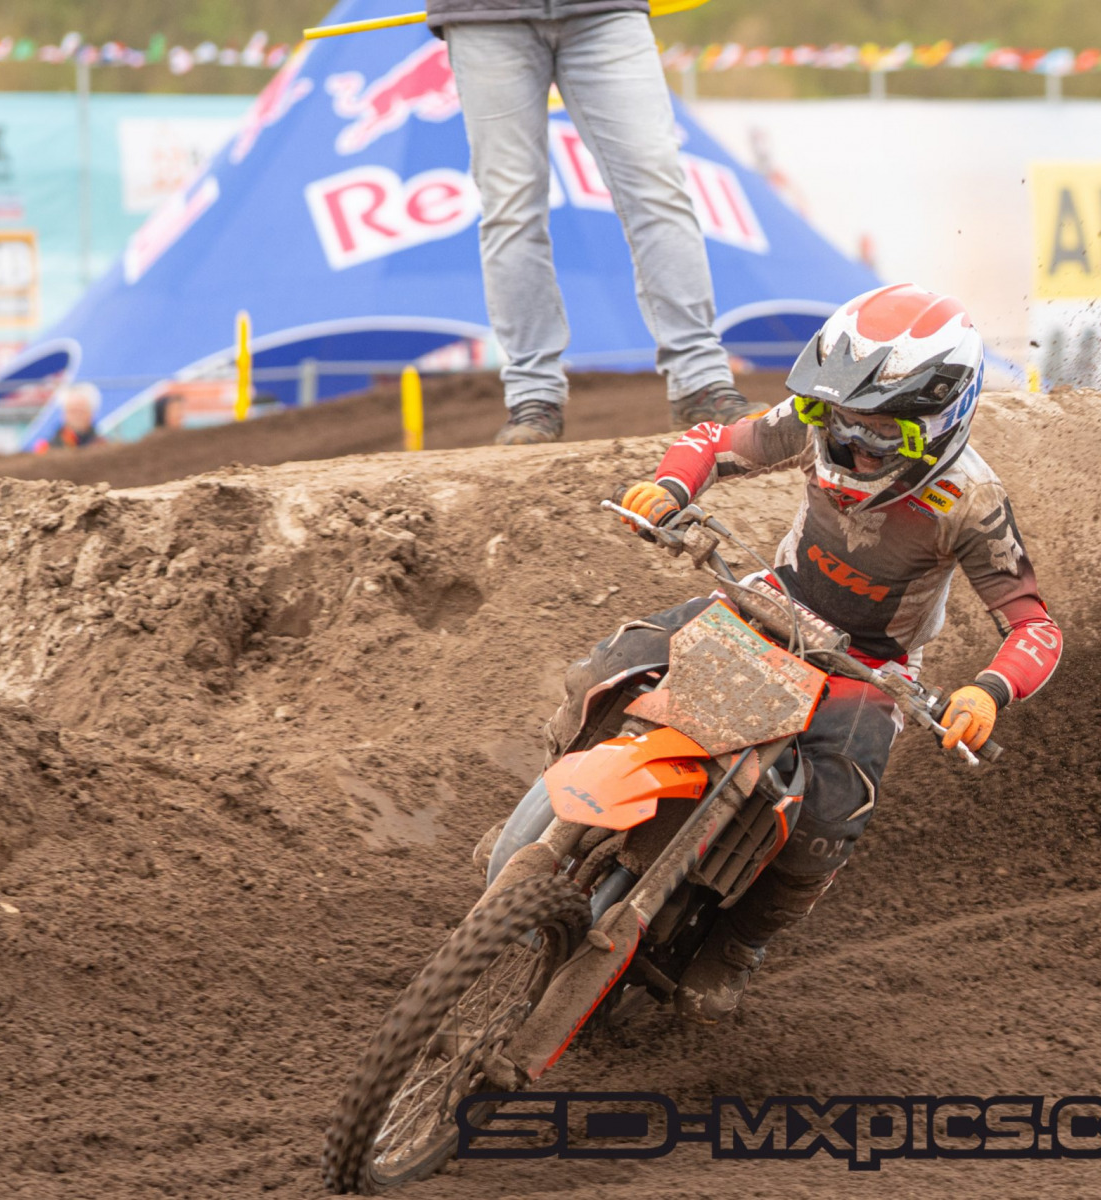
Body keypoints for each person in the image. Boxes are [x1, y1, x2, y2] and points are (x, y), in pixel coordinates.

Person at [566, 284, 1063, 1022]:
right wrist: (668, 488)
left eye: (880, 433)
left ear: (941, 421)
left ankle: (740, 942)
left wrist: (988, 691)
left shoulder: (970, 500)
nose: (851, 444)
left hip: (874, 665)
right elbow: (714, 440)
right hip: (771, 601)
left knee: (831, 814)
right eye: (839, 420)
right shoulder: (809, 425)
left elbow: (1035, 627)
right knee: (609, 669)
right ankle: (551, 822)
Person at [428, 0, 753, 445]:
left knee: (657, 187)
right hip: (484, 15)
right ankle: (532, 396)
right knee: (510, 208)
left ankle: (701, 382)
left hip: (604, 9)